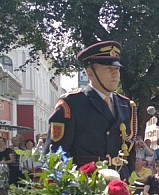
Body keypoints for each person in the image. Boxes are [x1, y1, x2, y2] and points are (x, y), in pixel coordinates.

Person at [44, 41, 137, 179]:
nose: (115, 74)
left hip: (119, 186)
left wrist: (129, 183)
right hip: (86, 187)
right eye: (108, 69)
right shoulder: (71, 104)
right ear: (90, 73)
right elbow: (55, 155)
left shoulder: (126, 105)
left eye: (117, 69)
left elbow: (130, 154)